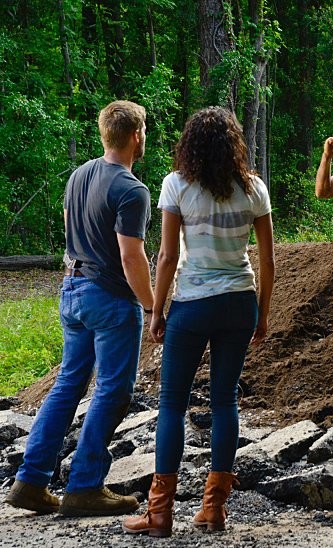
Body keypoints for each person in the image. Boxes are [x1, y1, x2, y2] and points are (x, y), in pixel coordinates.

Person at [122, 107, 275, 537]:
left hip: (192, 303)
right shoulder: (254, 189)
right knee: (225, 400)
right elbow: (267, 259)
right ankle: (214, 510)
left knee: (172, 402)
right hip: (238, 302)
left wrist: (157, 310)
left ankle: (160, 514)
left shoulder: (176, 185)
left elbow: (168, 255)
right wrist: (262, 313)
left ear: (189, 145)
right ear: (234, 146)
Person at [5, 101, 153, 516]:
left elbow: (71, 223)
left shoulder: (79, 175)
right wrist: (152, 303)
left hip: (71, 289)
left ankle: (31, 481)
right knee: (112, 388)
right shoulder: (131, 189)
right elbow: (130, 257)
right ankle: (85, 485)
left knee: (69, 383)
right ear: (136, 135)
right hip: (109, 298)